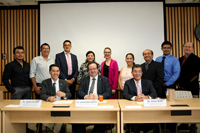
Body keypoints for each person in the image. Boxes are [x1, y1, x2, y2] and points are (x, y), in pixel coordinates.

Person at [74, 62, 112, 133]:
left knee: (104, 120)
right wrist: (86, 96)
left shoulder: (104, 79)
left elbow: (108, 93)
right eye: (90, 69)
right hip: (85, 105)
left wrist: (98, 96)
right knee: (76, 119)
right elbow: (79, 92)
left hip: (99, 104)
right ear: (88, 70)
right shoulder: (84, 79)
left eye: (94, 69)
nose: (92, 71)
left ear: (98, 69)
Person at [123, 64, 157, 133]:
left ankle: (144, 129)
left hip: (146, 109)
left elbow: (154, 94)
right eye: (135, 71)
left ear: (142, 73)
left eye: (139, 71)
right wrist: (135, 98)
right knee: (134, 121)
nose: (137, 73)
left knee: (155, 120)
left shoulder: (148, 82)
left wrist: (146, 97)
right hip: (133, 109)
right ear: (132, 73)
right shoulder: (128, 83)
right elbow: (125, 94)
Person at [155, 41, 180, 133]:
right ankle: (159, 127)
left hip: (169, 85)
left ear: (171, 49)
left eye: (168, 48)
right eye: (164, 48)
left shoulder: (174, 60)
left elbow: (176, 74)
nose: (166, 49)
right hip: (159, 85)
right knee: (159, 105)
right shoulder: (157, 59)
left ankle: (172, 128)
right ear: (161, 49)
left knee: (171, 106)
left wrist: (167, 83)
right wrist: (158, 82)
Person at [176, 42, 200, 133]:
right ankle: (184, 123)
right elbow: (177, 72)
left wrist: (184, 84)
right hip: (181, 87)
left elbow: (195, 74)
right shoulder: (180, 59)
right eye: (186, 47)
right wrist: (178, 83)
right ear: (183, 48)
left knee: (192, 107)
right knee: (182, 107)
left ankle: (193, 125)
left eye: (189, 47)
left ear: (193, 48)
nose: (187, 48)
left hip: (191, 87)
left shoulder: (197, 59)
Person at [40, 64, 71, 133]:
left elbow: (69, 94)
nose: (55, 73)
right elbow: (42, 95)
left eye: (57, 71)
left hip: (61, 106)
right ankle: (55, 129)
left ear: (59, 72)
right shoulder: (45, 82)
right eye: (53, 71)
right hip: (49, 106)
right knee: (42, 120)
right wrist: (49, 98)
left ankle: (55, 131)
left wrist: (64, 94)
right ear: (50, 72)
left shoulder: (64, 82)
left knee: (59, 119)